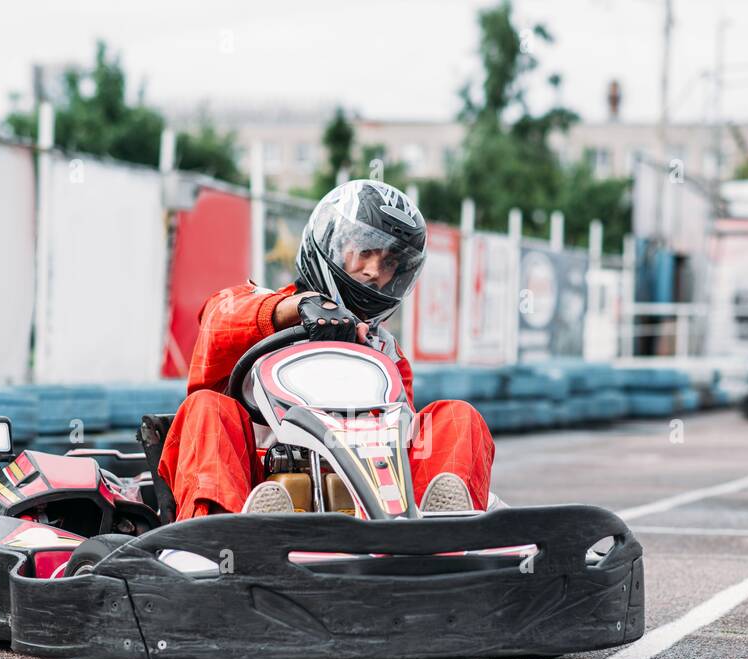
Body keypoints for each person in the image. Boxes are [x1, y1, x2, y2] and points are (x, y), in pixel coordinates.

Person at [157, 179, 495, 517]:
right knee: (205, 407)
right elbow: (216, 320)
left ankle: (441, 532)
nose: (374, 272)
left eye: (389, 262)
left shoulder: (385, 352)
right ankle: (222, 538)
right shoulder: (256, 306)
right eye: (365, 251)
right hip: (254, 485)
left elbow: (402, 438)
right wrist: (300, 308)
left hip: (365, 493)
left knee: (458, 416)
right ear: (333, 245)